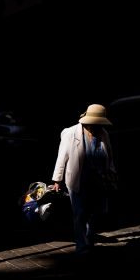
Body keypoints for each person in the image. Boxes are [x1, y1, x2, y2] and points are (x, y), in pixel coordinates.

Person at [52, 104, 117, 254]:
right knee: (80, 213)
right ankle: (81, 245)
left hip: (98, 179)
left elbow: (110, 156)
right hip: (78, 178)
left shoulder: (103, 133)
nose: (97, 127)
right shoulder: (70, 133)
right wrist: (57, 180)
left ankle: (90, 238)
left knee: (94, 212)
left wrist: (111, 173)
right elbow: (62, 157)